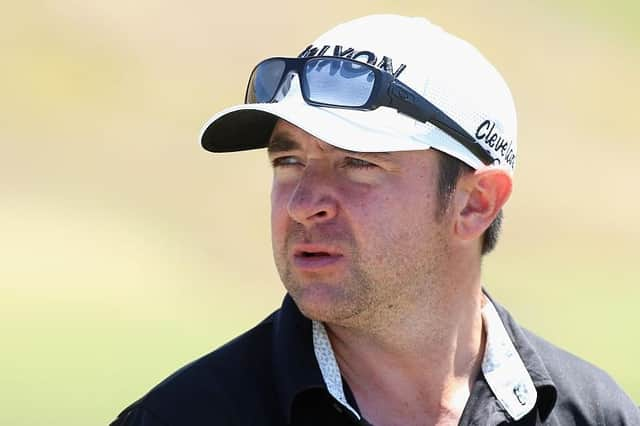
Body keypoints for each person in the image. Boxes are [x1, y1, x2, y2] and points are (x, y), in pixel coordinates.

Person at [111, 14, 639, 425]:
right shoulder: (182, 420)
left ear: (476, 202)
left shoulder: (597, 416)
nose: (303, 204)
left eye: (358, 164)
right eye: (288, 161)